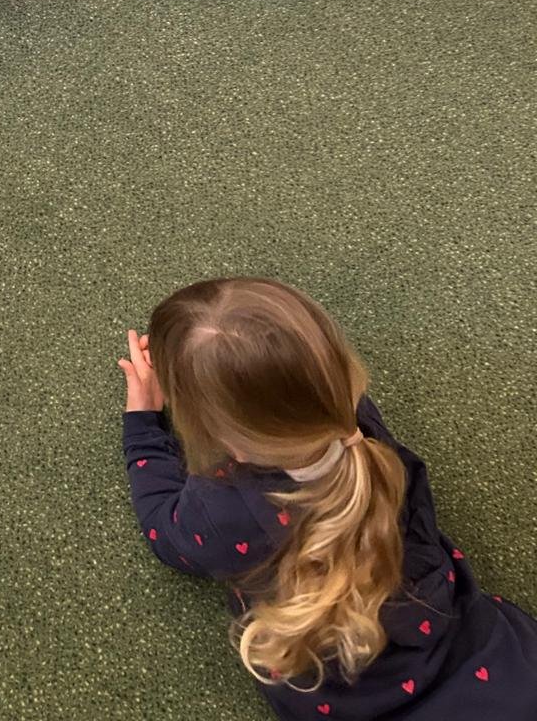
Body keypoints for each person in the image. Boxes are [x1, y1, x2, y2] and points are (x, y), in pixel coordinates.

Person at [119, 278, 537, 718]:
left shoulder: (222, 507)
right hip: (496, 660)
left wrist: (142, 422)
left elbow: (165, 531)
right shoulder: (362, 433)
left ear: (226, 442)